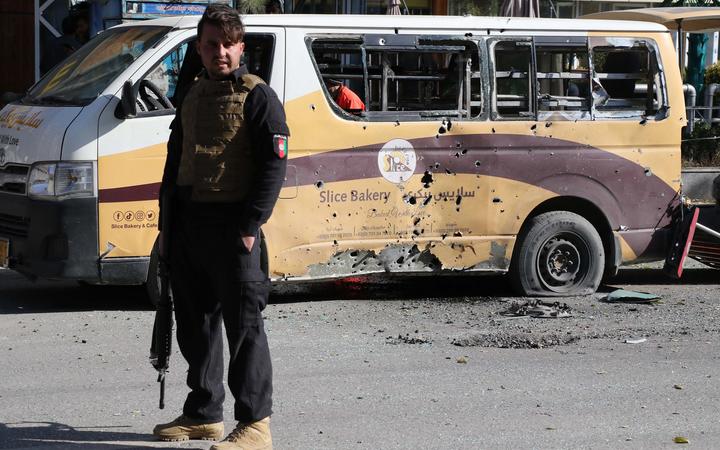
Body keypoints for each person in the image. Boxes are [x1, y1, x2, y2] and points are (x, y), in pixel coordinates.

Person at [153, 4, 289, 450]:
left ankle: (255, 425)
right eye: (212, 44)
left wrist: (251, 225)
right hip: (191, 225)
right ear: (200, 47)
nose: (220, 53)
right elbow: (175, 163)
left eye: (229, 44)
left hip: (234, 230)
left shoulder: (258, 96)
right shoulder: (192, 93)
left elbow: (274, 164)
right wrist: (168, 226)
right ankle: (204, 413)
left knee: (244, 329)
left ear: (241, 47)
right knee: (197, 326)